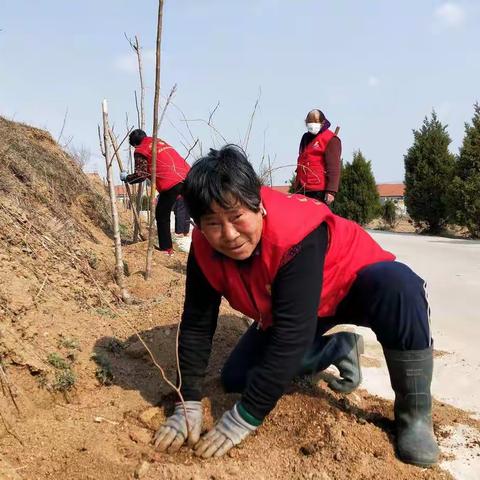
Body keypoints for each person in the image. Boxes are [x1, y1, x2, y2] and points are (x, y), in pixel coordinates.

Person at [153, 145, 439, 467]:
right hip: (296, 307)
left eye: (237, 218)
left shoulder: (295, 231)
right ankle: (338, 348)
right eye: (214, 224)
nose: (229, 235)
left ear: (258, 205)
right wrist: (187, 401)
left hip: (350, 286)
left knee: (399, 285)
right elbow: (196, 324)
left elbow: (291, 335)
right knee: (237, 378)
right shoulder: (205, 250)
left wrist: (245, 417)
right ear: (199, 226)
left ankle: (414, 415)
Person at [121, 129, 190, 255]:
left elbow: (140, 175)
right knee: (194, 210)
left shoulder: (141, 149)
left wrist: (127, 178)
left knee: (162, 214)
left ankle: (167, 249)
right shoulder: (159, 142)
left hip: (170, 182)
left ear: (135, 144)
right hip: (188, 177)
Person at [294, 109, 341, 206]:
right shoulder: (305, 138)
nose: (312, 125)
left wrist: (331, 191)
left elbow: (334, 168)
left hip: (319, 190)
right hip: (302, 188)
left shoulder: (331, 140)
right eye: (309, 122)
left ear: (322, 122)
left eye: (315, 122)